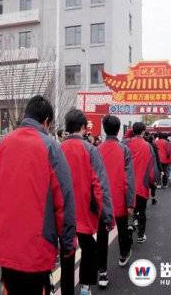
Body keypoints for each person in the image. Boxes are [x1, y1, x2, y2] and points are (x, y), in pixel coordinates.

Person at [0, 96, 76, 295]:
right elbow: (65, 199)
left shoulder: (3, 144)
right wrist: (68, 244)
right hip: (36, 246)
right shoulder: (51, 147)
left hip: (6, 242)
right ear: (46, 121)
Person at [61, 109, 113, 295]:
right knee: (89, 248)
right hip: (84, 211)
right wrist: (107, 216)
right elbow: (100, 185)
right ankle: (84, 287)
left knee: (66, 252)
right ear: (83, 128)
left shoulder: (58, 149)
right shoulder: (90, 149)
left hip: (62, 212)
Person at [96, 115, 135, 289]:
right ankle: (123, 255)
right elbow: (129, 178)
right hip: (119, 198)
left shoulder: (96, 150)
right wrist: (130, 202)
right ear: (118, 130)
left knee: (102, 236)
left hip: (102, 200)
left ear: (104, 129)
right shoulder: (124, 150)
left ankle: (102, 272)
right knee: (122, 228)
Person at [123, 122, 158, 244]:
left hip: (127, 184)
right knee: (142, 211)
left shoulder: (125, 144)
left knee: (127, 209)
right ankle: (140, 235)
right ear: (143, 131)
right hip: (142, 185)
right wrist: (153, 182)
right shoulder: (147, 146)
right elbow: (152, 168)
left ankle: (129, 225)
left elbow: (124, 139)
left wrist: (130, 131)